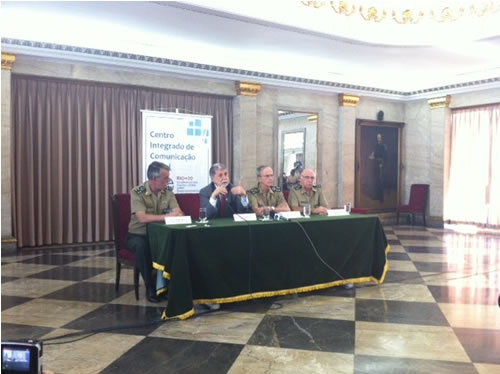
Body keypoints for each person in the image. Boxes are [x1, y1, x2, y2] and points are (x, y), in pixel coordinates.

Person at [126, 161, 183, 303]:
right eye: (165, 178)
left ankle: (169, 286)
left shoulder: (168, 192)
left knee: (177, 244)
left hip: (162, 235)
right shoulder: (137, 192)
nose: (169, 181)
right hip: (139, 235)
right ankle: (150, 287)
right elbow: (141, 217)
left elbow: (179, 212)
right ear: (154, 179)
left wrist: (175, 214)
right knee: (142, 247)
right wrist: (165, 217)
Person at [368, 133, 388, 203]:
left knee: (381, 181)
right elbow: (372, 155)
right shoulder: (375, 146)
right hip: (376, 165)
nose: (379, 139)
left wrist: (382, 164)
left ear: (382, 138)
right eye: (378, 137)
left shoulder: (384, 146)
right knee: (376, 180)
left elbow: (385, 157)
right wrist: (371, 157)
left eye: (380, 137)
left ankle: (381, 198)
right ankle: (377, 196)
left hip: (382, 165)